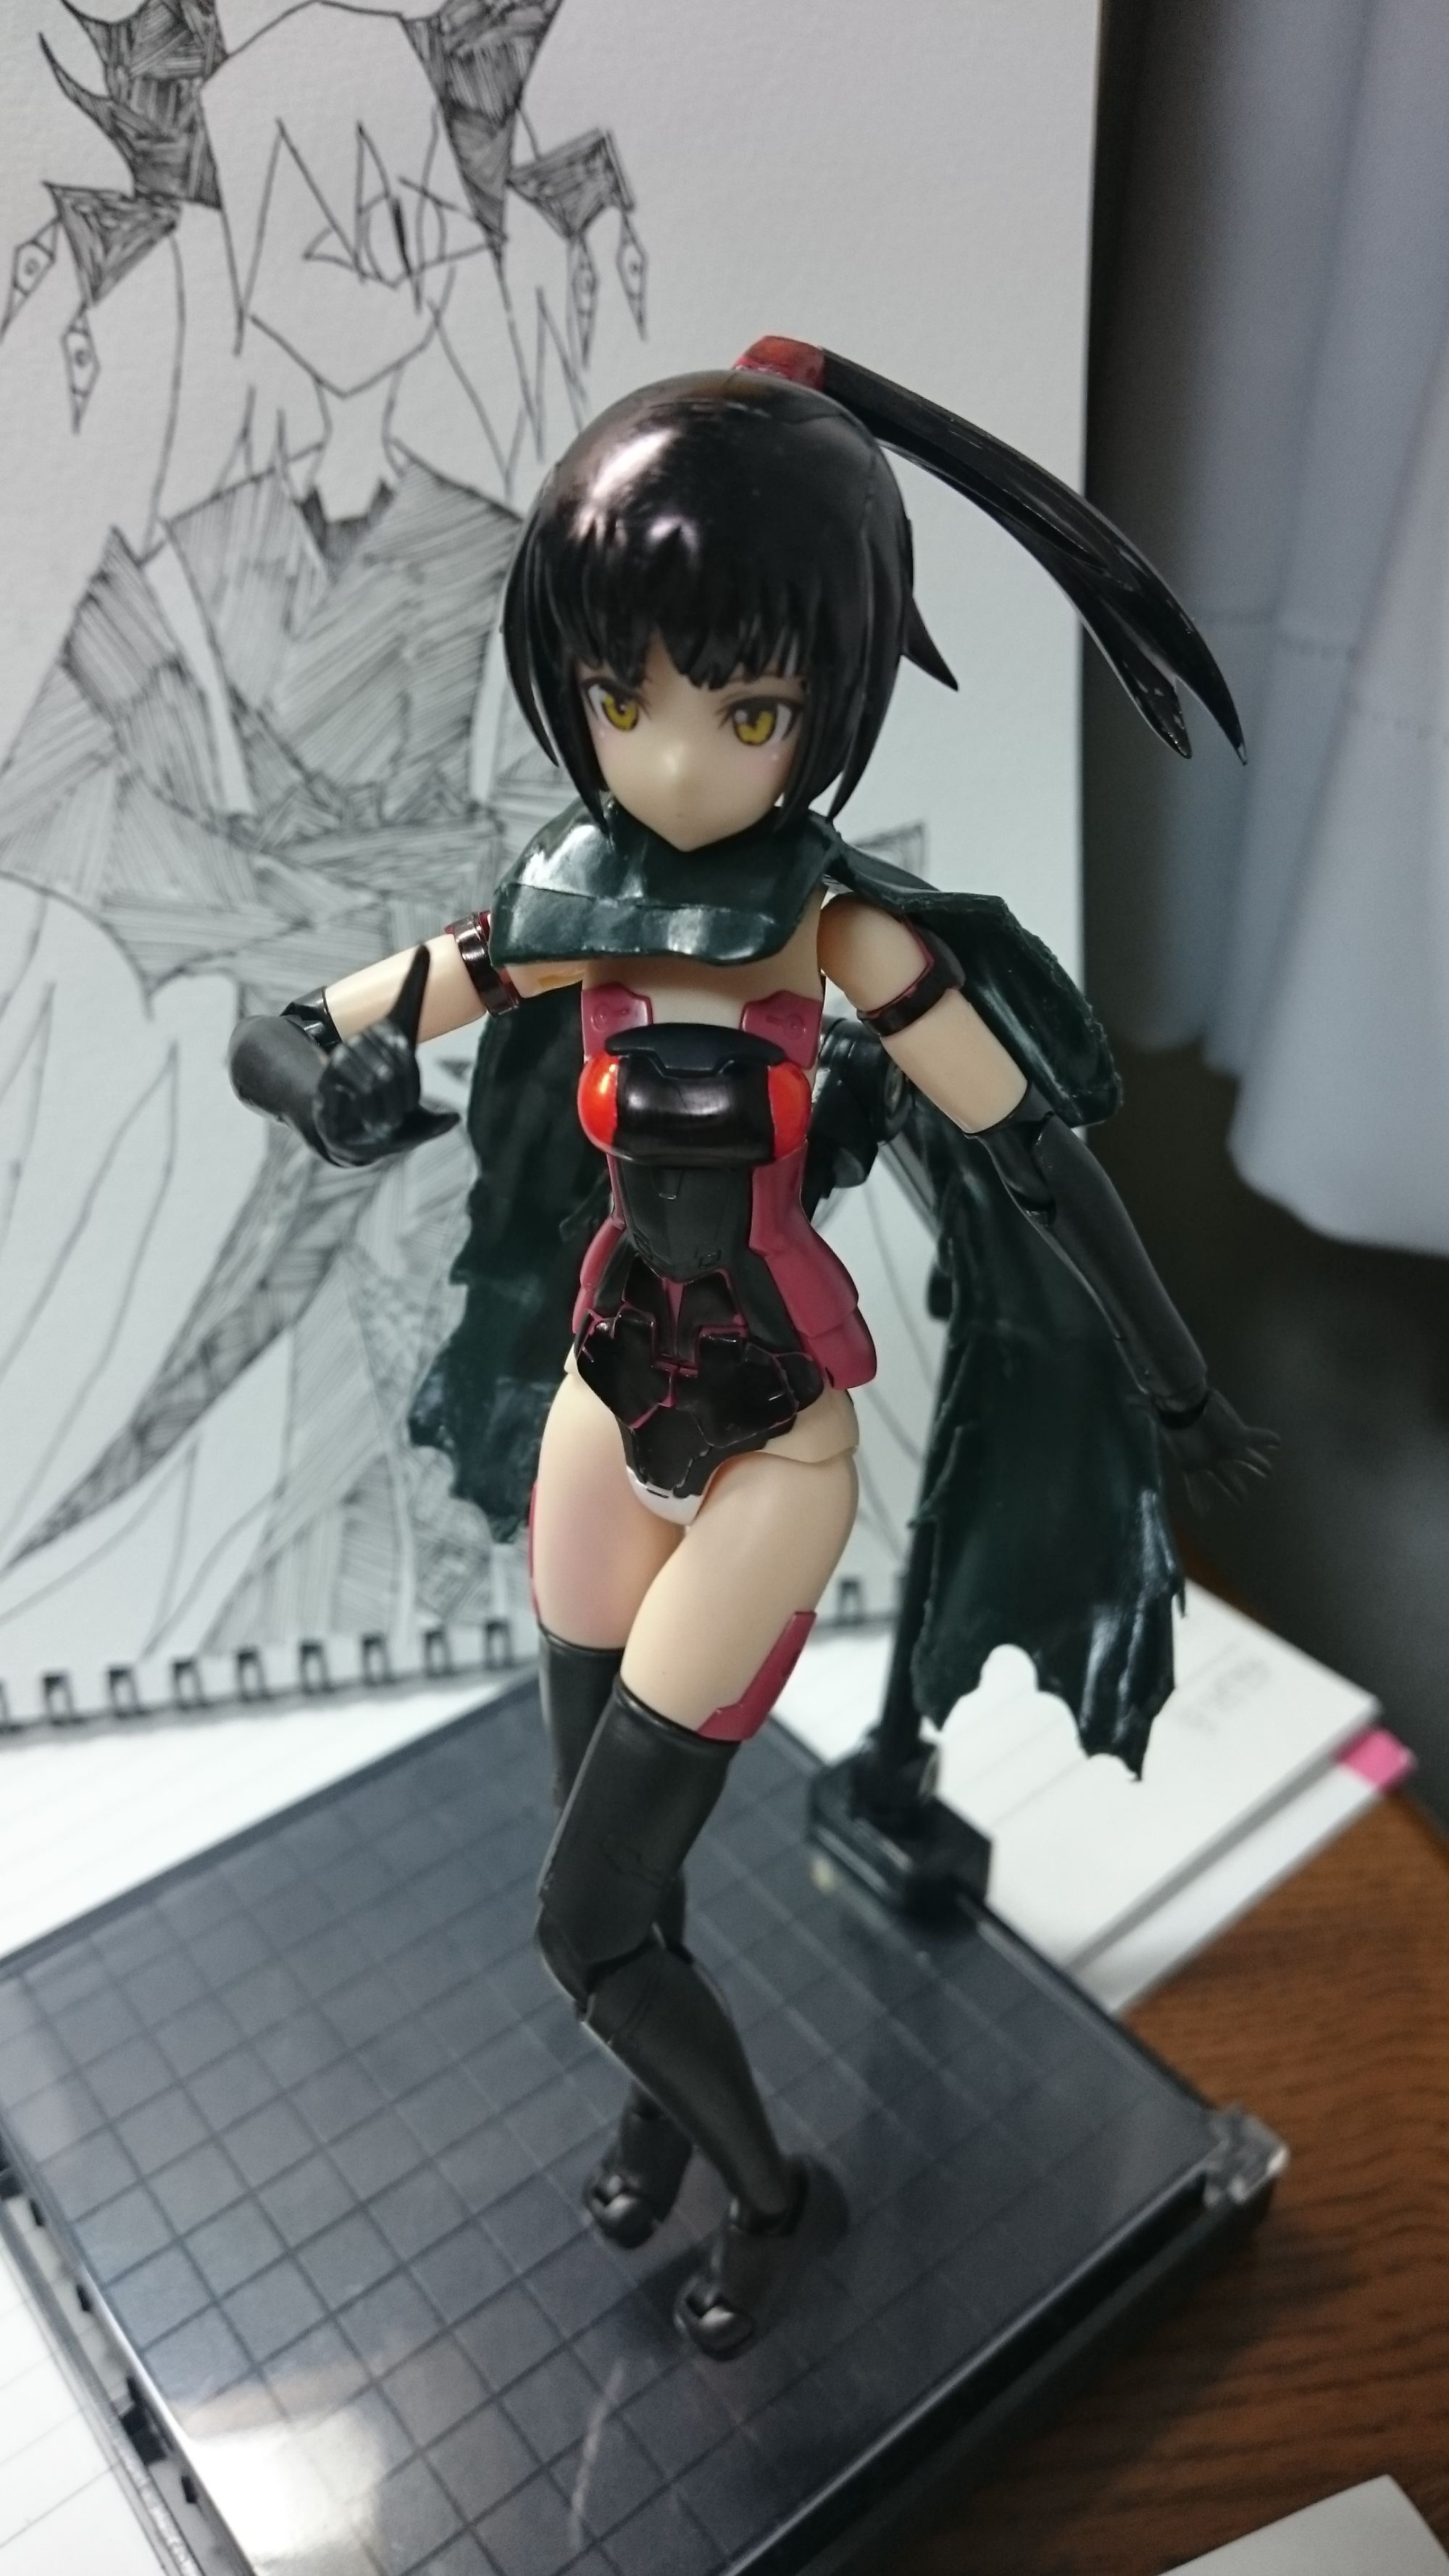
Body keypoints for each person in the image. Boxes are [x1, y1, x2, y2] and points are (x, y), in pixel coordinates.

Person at [228, 338, 1272, 2355]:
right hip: (603, 1406)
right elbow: (295, 1024)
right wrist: (326, 1090)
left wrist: (1171, 1375)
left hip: (777, 1443)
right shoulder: (566, 904)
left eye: (746, 708)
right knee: (609, 1873)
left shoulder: (837, 933)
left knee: (581, 1916)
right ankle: (659, 2091)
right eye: (624, 702)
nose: (678, 764)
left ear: (823, 701)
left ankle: (778, 2195)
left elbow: (1034, 1153)